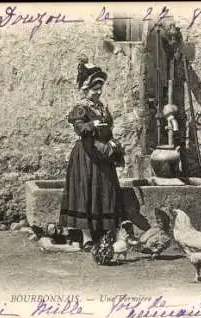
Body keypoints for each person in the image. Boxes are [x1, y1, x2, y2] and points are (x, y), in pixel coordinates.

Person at [59, 59, 124, 251]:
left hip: (103, 155)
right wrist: (91, 125)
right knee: (85, 192)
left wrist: (112, 142)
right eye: (94, 89)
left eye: (100, 88)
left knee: (104, 190)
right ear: (85, 90)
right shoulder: (82, 108)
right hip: (86, 155)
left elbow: (107, 129)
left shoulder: (102, 108)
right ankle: (86, 236)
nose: (98, 92)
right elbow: (79, 129)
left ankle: (104, 233)